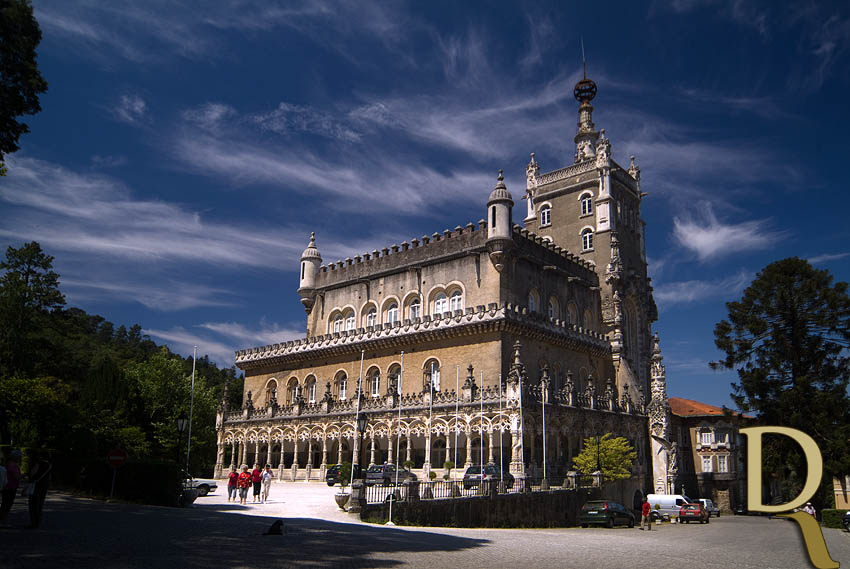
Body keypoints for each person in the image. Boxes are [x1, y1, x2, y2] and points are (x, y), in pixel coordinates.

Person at [26, 452, 51, 528]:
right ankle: (37, 522)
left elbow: (32, 474)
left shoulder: (38, 463)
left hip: (35, 486)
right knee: (39, 505)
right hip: (44, 487)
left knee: (33, 504)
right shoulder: (49, 465)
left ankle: (33, 522)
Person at [0, 449, 22, 525]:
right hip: (10, 487)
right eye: (19, 457)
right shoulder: (13, 465)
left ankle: (3, 519)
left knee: (5, 503)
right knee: (7, 504)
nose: (20, 458)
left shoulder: (9, 464)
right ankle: (3, 520)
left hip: (8, 486)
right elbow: (17, 476)